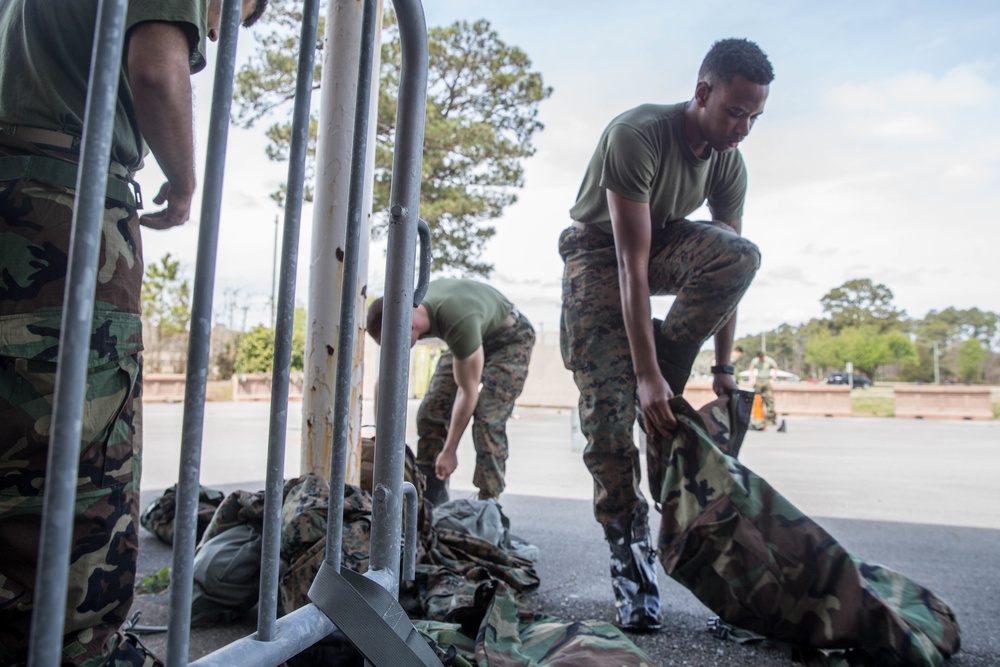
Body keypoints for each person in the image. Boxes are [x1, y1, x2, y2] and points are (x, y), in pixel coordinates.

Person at [0, 1, 267, 665]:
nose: (208, 36)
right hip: (59, 205)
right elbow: (155, 69)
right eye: (221, 21)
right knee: (82, 473)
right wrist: (182, 184)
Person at [559, 38, 773, 632]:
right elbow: (630, 265)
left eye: (755, 117)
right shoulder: (637, 135)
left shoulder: (730, 161)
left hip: (667, 239)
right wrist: (644, 375)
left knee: (741, 254)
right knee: (607, 418)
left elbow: (731, 273)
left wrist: (723, 370)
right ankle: (629, 554)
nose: (743, 127)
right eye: (735, 111)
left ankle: (659, 371)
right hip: (600, 255)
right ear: (702, 93)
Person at [366, 278, 535, 505]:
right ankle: (430, 501)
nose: (393, 349)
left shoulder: (457, 321)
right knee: (430, 412)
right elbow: (385, 379)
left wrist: (450, 450)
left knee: (487, 418)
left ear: (409, 327)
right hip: (473, 333)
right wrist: (380, 439)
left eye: (394, 343)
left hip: (509, 339)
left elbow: (468, 392)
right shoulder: (408, 313)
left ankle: (489, 505)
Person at [749, 350, 779, 426]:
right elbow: (751, 369)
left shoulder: (769, 360)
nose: (761, 358)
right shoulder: (755, 361)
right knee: (758, 400)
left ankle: (770, 419)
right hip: (759, 380)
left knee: (769, 400)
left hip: (767, 380)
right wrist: (751, 379)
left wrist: (773, 378)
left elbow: (776, 368)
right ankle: (758, 418)